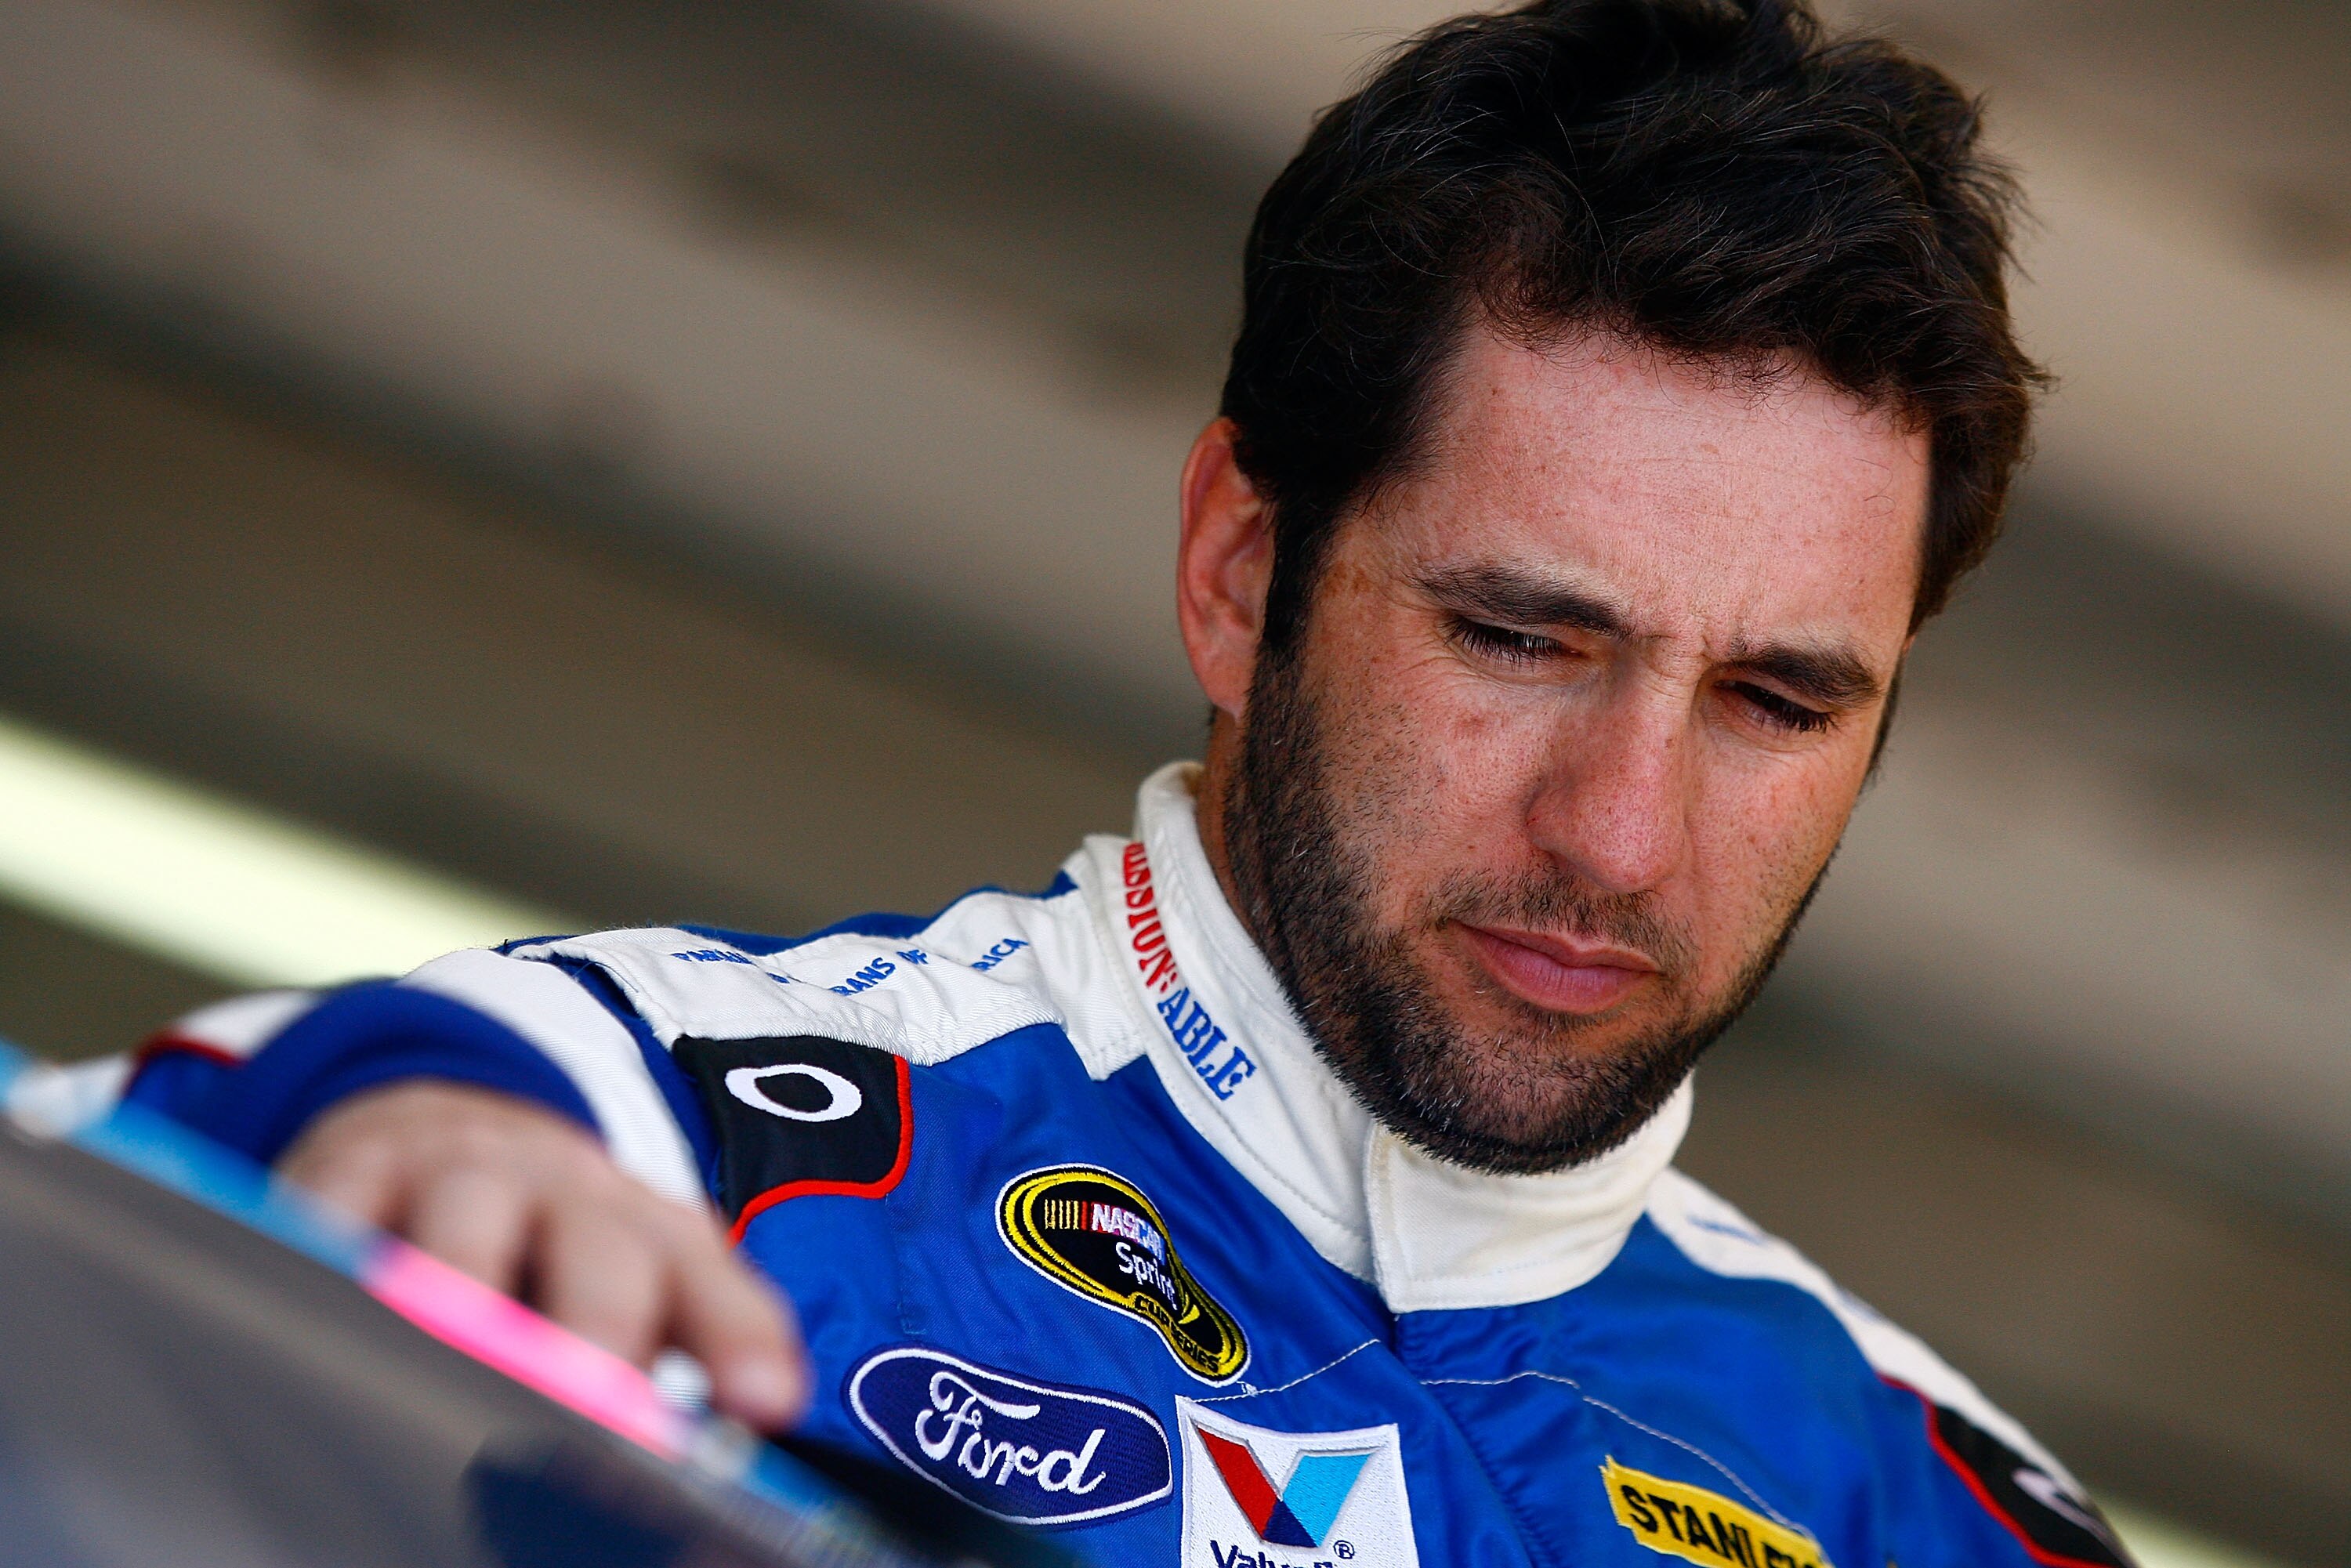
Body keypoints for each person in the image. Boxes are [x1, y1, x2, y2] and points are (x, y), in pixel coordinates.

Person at [118, 2, 2132, 1564]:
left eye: (1775, 700)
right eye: (1520, 637)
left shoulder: (1941, 1513)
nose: (1619, 831)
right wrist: (346, 1153)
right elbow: (108, 1225)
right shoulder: (643, 1128)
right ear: (1242, 572)